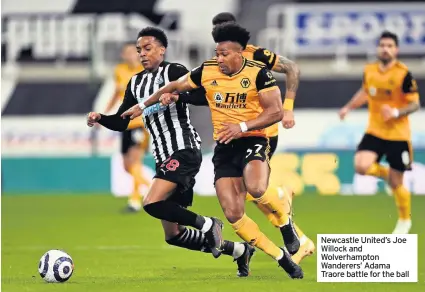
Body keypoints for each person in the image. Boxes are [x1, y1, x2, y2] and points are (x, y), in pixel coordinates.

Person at [122, 23, 303, 279]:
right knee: (233, 214)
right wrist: (143, 105)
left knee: (257, 188)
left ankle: (285, 220)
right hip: (224, 148)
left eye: (224, 54)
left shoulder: (259, 73)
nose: (218, 59)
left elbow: (275, 112)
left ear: (240, 53)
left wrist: (242, 126)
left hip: (252, 139)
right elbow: (173, 86)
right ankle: (281, 257)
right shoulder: (206, 70)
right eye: (216, 53)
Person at [87, 27, 255, 277]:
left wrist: (178, 96)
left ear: (162, 49)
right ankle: (240, 251)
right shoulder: (135, 82)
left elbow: (204, 95)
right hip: (162, 156)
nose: (142, 54)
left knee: (152, 202)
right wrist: (101, 117)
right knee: (173, 235)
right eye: (138, 50)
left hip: (184, 149)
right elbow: (123, 121)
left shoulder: (174, 72)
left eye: (147, 48)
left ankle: (209, 224)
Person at [171, 12, 315, 263]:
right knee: (250, 194)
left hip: (262, 132)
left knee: (254, 189)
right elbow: (207, 96)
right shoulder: (216, 64)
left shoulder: (255, 55)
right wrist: (178, 95)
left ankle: (292, 227)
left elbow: (291, 68)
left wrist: (288, 107)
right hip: (233, 136)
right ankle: (296, 234)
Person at [339, 31, 420, 234]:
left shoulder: (403, 74)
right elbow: (366, 92)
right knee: (361, 166)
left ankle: (404, 220)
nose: (385, 49)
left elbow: (415, 104)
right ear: (378, 48)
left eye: (390, 46)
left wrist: (395, 112)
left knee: (397, 184)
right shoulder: (370, 70)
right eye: (382, 45)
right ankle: (387, 175)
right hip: (375, 131)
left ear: (396, 50)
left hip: (398, 134)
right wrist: (349, 107)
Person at [103, 42, 149, 212]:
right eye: (127, 52)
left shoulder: (145, 73)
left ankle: (135, 202)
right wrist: (106, 113)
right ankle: (154, 189)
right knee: (126, 165)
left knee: (135, 160)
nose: (130, 55)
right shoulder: (120, 71)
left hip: (140, 123)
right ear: (123, 55)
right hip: (124, 123)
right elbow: (117, 93)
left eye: (133, 52)